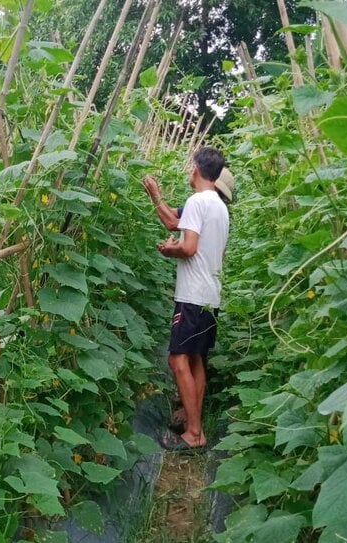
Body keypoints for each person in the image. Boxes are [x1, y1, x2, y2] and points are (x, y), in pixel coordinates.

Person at [142, 147, 230, 451]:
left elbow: (189, 247)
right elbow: (172, 223)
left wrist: (170, 250)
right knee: (195, 359)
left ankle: (194, 433)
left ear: (196, 169)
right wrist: (156, 196)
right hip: (210, 295)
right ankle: (195, 424)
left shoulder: (197, 201)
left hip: (192, 295)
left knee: (176, 359)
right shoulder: (218, 205)